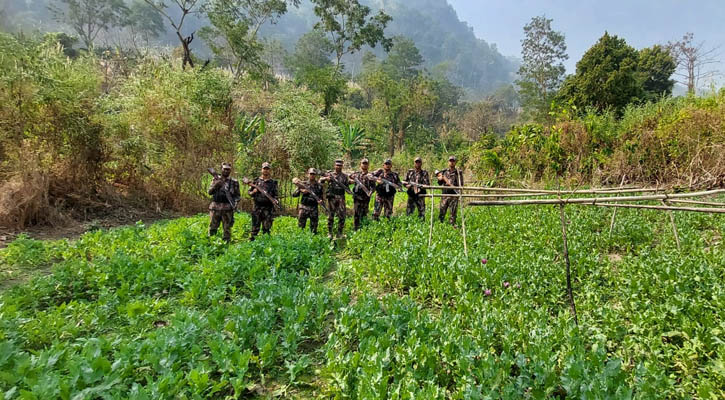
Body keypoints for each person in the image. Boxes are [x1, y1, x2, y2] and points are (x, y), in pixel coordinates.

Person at [208, 162, 241, 242]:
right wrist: (217, 184)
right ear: (221, 169)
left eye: (228, 170)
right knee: (212, 228)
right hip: (215, 208)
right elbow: (209, 192)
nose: (226, 171)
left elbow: (238, 196)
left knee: (227, 230)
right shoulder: (215, 179)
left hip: (227, 209)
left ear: (230, 171)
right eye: (225, 169)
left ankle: (226, 246)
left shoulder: (234, 182)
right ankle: (211, 245)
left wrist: (235, 203)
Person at [249, 162, 279, 240]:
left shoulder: (273, 183)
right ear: (261, 170)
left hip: (268, 209)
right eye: (264, 169)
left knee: (267, 229)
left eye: (267, 169)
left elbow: (276, 195)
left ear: (269, 171)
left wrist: (275, 200)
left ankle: (266, 245)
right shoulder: (256, 181)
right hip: (257, 208)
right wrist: (253, 192)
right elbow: (249, 193)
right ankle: (252, 244)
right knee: (255, 228)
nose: (266, 170)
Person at [320, 159, 348, 238]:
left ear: (342, 166)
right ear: (334, 165)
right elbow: (320, 181)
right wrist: (326, 179)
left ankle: (339, 233)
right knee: (330, 215)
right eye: (337, 165)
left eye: (340, 165)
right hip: (332, 197)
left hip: (341, 197)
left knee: (342, 215)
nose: (338, 167)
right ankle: (330, 233)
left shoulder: (345, 176)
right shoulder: (329, 174)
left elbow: (347, 187)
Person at [292, 168, 324, 234]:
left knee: (314, 229)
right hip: (304, 207)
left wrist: (320, 201)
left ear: (315, 175)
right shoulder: (303, 184)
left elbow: (321, 197)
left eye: (313, 174)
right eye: (311, 174)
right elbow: (294, 195)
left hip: (314, 208)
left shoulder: (319, 186)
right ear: (308, 174)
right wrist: (301, 190)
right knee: (300, 227)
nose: (312, 175)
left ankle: (313, 241)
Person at [349, 158, 376, 230]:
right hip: (357, 197)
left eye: (366, 164)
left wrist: (370, 192)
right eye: (363, 163)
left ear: (368, 165)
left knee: (364, 213)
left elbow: (373, 187)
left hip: (365, 197)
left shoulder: (370, 176)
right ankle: (356, 228)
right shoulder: (356, 174)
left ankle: (364, 229)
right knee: (356, 214)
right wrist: (351, 180)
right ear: (360, 165)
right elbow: (348, 178)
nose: (364, 165)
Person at [437, 155, 463, 226]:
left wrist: (454, 187)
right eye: (450, 161)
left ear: (455, 162)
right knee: (442, 211)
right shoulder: (444, 172)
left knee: (453, 213)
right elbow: (440, 183)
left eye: (453, 161)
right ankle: (440, 225)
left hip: (454, 195)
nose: (452, 162)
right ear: (448, 162)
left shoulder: (458, 172)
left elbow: (461, 184)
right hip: (445, 195)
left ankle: (452, 226)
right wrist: (440, 179)